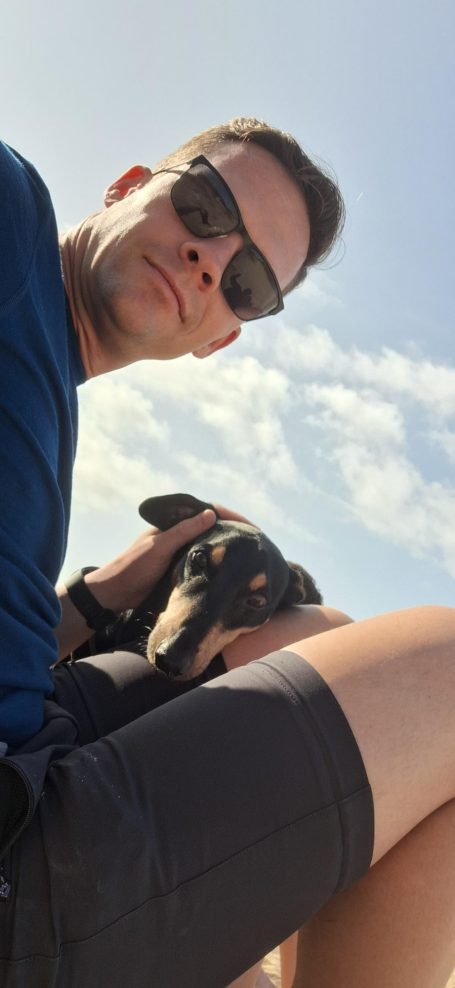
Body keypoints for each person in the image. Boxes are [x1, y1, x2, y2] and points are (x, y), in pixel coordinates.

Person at [0, 117, 453, 988]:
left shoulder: (48, 401)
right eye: (205, 206)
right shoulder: (16, 223)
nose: (209, 260)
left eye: (245, 281)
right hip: (16, 845)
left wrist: (99, 597)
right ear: (126, 185)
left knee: (310, 630)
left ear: (218, 338)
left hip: (35, 748)